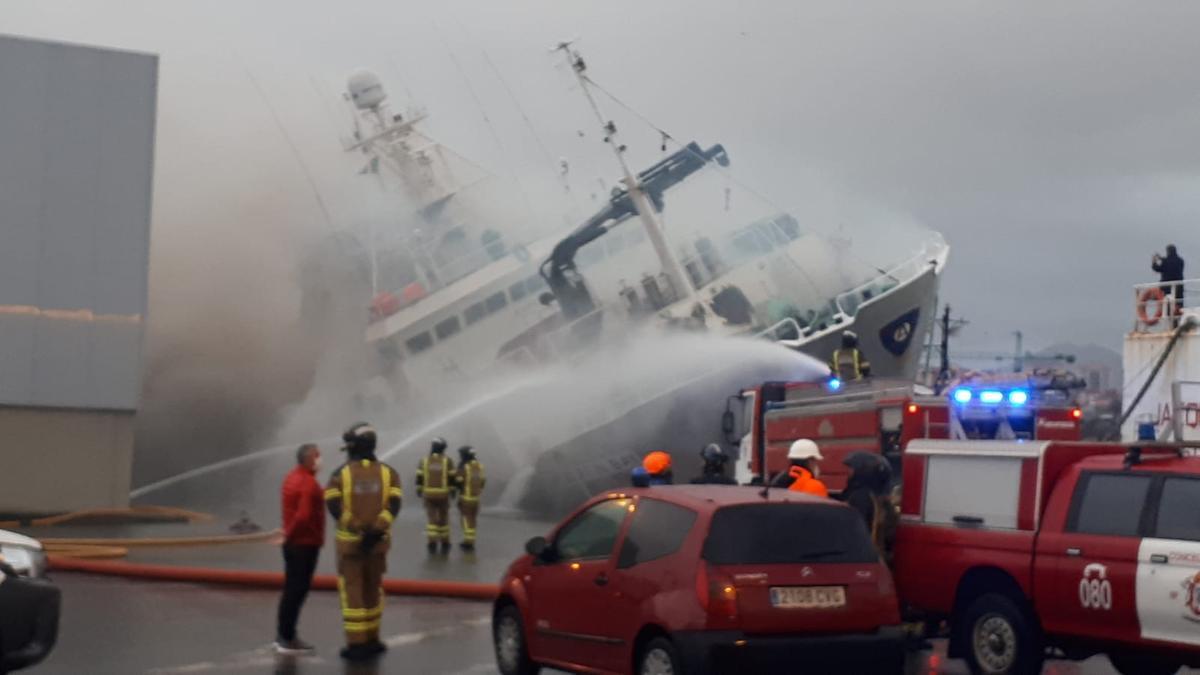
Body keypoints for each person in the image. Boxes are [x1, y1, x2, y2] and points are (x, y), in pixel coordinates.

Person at [324, 422, 402, 662]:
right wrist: (376, 531)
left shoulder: (340, 475)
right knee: (373, 590)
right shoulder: (390, 473)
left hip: (351, 547)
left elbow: (334, 506)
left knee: (353, 594)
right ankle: (373, 639)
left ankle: (357, 644)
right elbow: (394, 506)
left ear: (354, 446)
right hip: (378, 546)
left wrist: (359, 528)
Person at [275, 443, 324, 655]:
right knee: (297, 591)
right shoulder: (308, 483)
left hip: (293, 545)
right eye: (317, 455)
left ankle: (284, 635)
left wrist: (287, 535)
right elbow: (303, 516)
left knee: (290, 591)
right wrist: (289, 534)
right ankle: (287, 637)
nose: (320, 458)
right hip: (304, 544)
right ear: (308, 459)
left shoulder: (291, 477)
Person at [839, 452, 897, 563]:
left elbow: (853, 530)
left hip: (859, 557)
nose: (848, 472)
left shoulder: (860, 497)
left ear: (862, 472)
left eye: (851, 469)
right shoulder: (879, 497)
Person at [416, 437, 455, 555]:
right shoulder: (447, 461)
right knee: (443, 518)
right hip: (443, 495)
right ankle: (445, 543)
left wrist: (419, 489)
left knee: (432, 519)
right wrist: (453, 491)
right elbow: (452, 478)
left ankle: (432, 543)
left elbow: (419, 477)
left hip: (429, 495)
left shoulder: (424, 461)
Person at [454, 446, 486, 551]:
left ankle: (468, 542)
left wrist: (456, 490)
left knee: (466, 519)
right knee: (472, 519)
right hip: (475, 498)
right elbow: (482, 482)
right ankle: (471, 540)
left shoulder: (463, 466)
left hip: (465, 498)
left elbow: (458, 481)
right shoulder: (479, 466)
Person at [1152, 245, 1185, 319]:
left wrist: (1154, 261)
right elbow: (1171, 262)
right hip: (1179, 288)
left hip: (1166, 289)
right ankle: (1178, 321)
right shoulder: (1181, 261)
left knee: (1167, 307)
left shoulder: (1165, 262)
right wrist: (1161, 258)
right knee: (1179, 305)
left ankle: (1170, 322)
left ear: (1168, 251)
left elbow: (1157, 268)